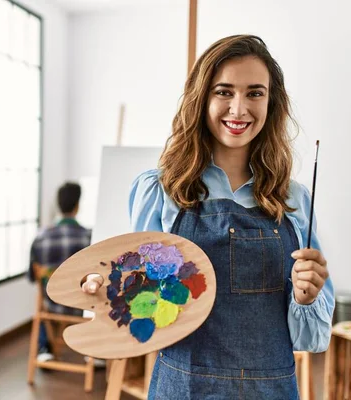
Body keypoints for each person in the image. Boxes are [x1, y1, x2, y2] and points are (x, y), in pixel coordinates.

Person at [84, 35, 334, 399]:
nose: (238, 109)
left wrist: (307, 297)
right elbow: (140, 303)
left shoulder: (294, 200)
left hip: (272, 390)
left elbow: (312, 338)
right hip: (182, 387)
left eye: (254, 93)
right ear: (202, 98)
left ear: (271, 102)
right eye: (224, 91)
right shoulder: (161, 190)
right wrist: (108, 288)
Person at [28, 182, 91, 362]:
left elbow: (33, 277)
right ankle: (93, 352)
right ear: (78, 206)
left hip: (53, 304)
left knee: (41, 301)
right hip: (82, 306)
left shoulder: (40, 237)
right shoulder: (88, 237)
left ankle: (44, 348)